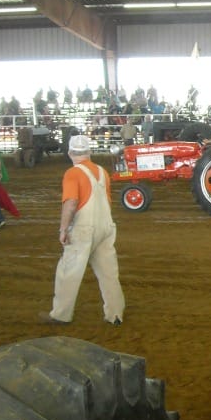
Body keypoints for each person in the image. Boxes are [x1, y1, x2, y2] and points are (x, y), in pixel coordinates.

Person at [40, 135, 124, 326]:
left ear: (70, 152)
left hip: (84, 228)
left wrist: (63, 229)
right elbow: (108, 201)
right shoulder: (102, 172)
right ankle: (115, 314)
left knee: (68, 271)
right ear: (89, 152)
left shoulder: (72, 173)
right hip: (106, 226)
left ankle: (60, 314)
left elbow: (71, 203)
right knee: (109, 273)